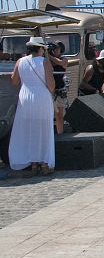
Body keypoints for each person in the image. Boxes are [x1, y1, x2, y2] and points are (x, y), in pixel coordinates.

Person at [9, 37, 55, 175]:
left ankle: (33, 163)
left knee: (30, 128)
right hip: (41, 96)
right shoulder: (44, 62)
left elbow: (14, 81)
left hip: (25, 96)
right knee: (44, 129)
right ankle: (44, 163)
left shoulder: (20, 61)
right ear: (40, 48)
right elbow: (51, 84)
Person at [48, 42, 69, 135]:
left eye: (57, 49)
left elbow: (60, 63)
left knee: (59, 115)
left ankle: (60, 133)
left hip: (59, 89)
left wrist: (48, 55)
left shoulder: (64, 59)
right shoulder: (47, 60)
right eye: (54, 49)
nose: (55, 50)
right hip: (49, 90)